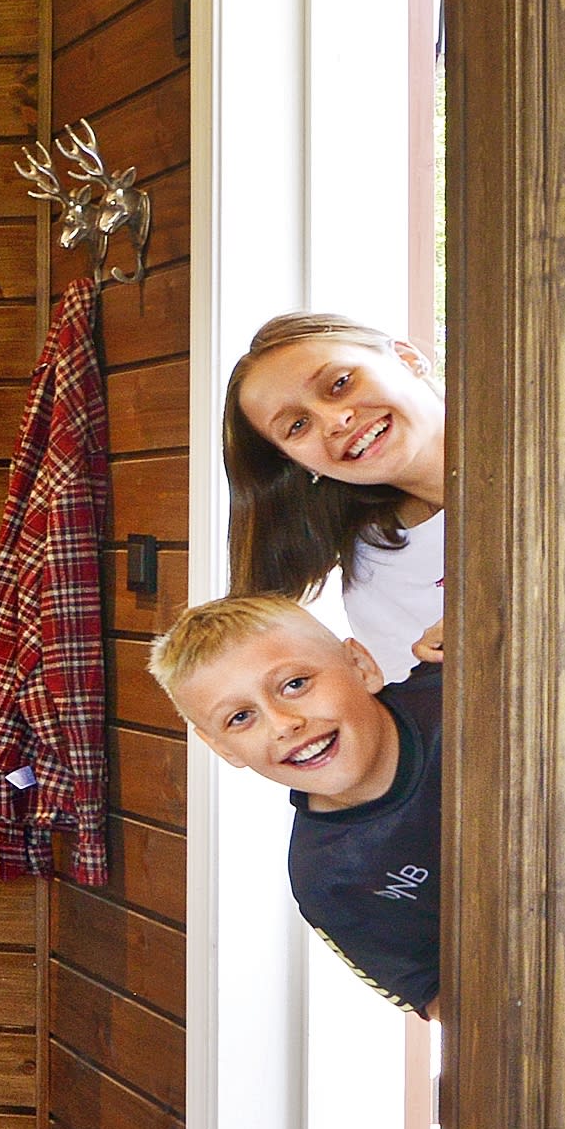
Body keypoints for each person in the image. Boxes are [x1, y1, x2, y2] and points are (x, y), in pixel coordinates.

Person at [151, 590, 441, 1018]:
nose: (284, 725)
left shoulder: (459, 688)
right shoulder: (329, 885)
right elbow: (450, 1008)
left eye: (295, 684)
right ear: (223, 748)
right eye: (240, 717)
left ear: (361, 666)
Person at [221, 311, 448, 681]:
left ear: (406, 358)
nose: (334, 421)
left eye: (340, 383)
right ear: (298, 463)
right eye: (297, 425)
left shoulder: (546, 441)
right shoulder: (375, 570)